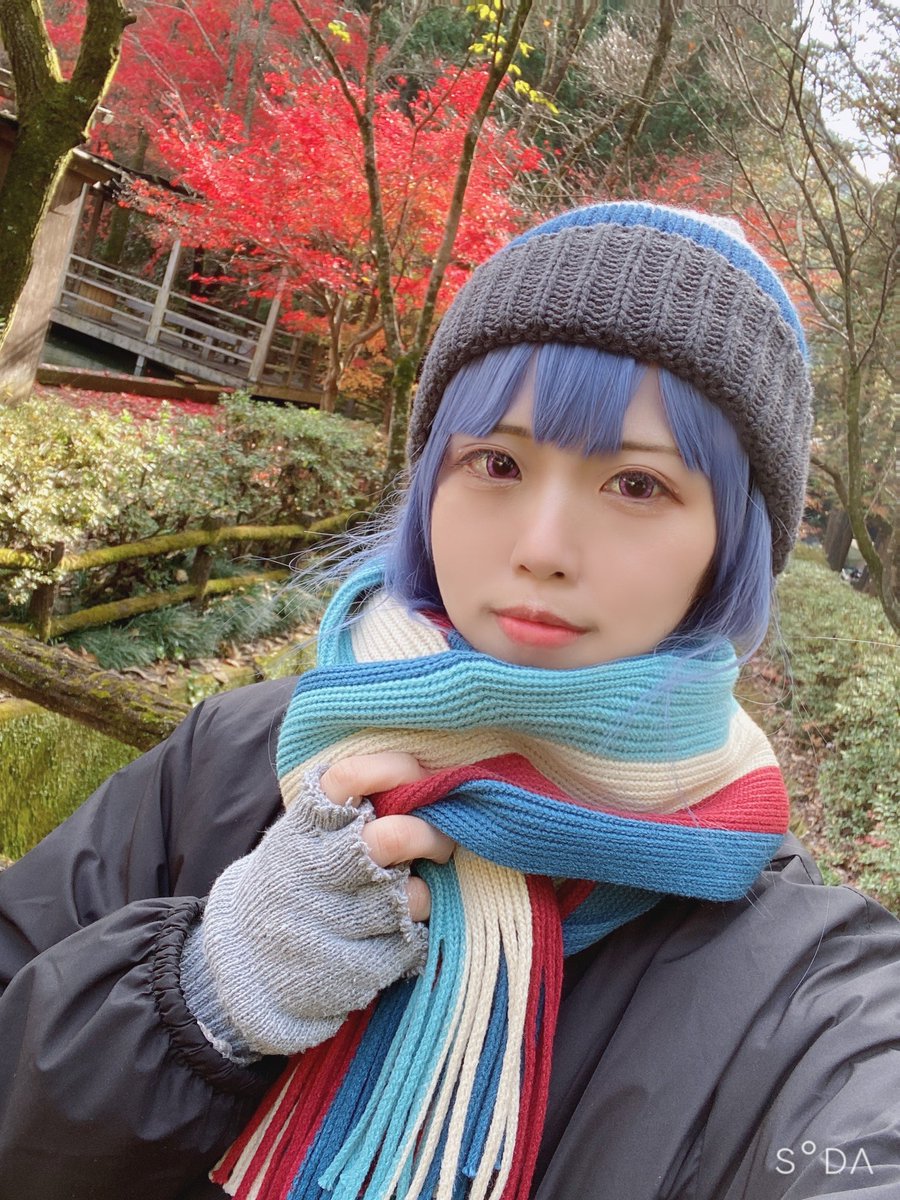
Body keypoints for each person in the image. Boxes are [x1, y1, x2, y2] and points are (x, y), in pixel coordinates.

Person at [1, 202, 898, 1200]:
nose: (543, 548)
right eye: (496, 464)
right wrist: (199, 996)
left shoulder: (805, 986)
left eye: (639, 485)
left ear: (730, 545)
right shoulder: (229, 760)